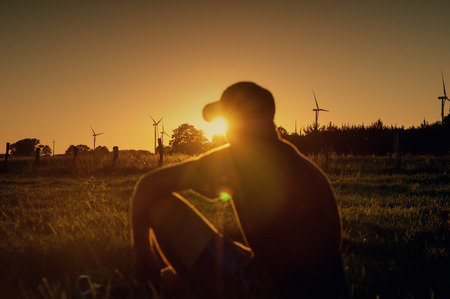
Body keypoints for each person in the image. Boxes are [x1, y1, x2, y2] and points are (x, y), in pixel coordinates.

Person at [131, 82, 348, 298]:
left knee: (161, 207)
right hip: (324, 287)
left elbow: (148, 185)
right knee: (171, 279)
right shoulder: (299, 163)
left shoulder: (239, 158)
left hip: (273, 288)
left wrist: (142, 254)